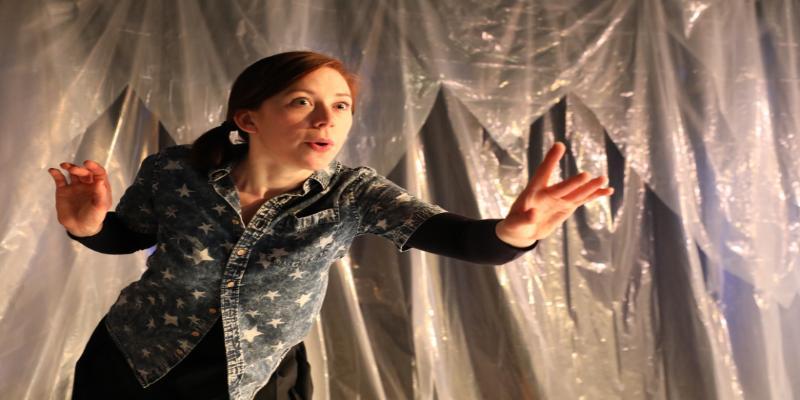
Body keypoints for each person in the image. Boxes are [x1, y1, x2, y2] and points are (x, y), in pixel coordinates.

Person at [48, 51, 613, 400]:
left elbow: (461, 238)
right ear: (248, 118)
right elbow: (128, 236)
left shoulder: (353, 193)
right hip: (133, 360)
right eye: (302, 102)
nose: (327, 119)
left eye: (341, 105)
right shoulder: (176, 169)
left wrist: (514, 233)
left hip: (254, 376)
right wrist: (89, 227)